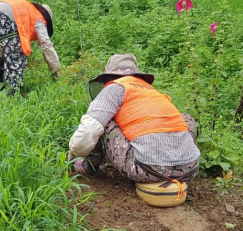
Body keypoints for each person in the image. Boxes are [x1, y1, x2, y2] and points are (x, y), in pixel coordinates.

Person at [68, 54, 200, 183]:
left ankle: (90, 168)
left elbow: (89, 129)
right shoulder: (151, 91)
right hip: (190, 169)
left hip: (146, 169)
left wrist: (73, 155)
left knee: (102, 121)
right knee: (185, 119)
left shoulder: (115, 88)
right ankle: (182, 160)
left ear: (110, 76)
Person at [0, 0, 59, 91]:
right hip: (5, 16)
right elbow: (47, 47)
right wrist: (55, 72)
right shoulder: (39, 18)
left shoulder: (27, 8)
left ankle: (1, 85)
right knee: (15, 56)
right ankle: (14, 92)